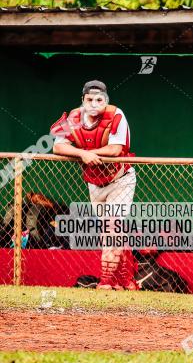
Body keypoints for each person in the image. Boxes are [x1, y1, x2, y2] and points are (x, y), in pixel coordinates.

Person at [50, 80, 137, 290]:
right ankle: (127, 281)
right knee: (112, 232)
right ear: (83, 100)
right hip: (95, 183)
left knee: (111, 229)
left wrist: (91, 154)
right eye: (90, 99)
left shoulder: (116, 115)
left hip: (120, 180)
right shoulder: (74, 117)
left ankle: (106, 282)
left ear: (105, 100)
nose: (94, 103)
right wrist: (82, 153)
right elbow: (57, 146)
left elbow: (116, 149)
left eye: (99, 99)